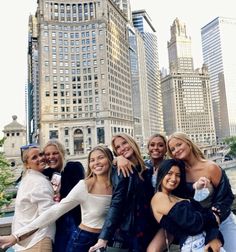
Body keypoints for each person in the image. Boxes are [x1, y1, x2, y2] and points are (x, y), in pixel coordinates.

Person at [0, 146, 113, 252]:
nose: (96, 162)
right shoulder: (82, 186)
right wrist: (16, 236)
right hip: (81, 239)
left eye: (101, 158)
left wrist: (119, 159)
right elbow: (53, 212)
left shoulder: (119, 183)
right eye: (92, 160)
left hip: (110, 239)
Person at [167, 132, 236, 251]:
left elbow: (226, 196)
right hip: (198, 226)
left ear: (188, 143)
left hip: (222, 221)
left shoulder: (211, 167)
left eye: (179, 144)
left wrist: (216, 216)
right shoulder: (178, 173)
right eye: (173, 149)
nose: (176, 150)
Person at [89, 133, 155, 252]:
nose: (122, 148)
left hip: (149, 228)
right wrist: (103, 238)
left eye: (124, 143)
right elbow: (116, 203)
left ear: (132, 143)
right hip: (132, 232)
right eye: (118, 147)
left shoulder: (146, 168)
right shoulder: (121, 171)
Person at [151, 159, 225, 252]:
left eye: (178, 175)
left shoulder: (176, 196)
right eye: (169, 173)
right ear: (162, 174)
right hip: (194, 245)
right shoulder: (159, 197)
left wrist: (213, 237)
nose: (174, 178)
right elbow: (192, 223)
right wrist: (213, 216)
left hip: (207, 241)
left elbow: (203, 215)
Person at [5, 144, 55, 252]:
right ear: (27, 164)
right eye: (34, 157)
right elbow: (48, 215)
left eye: (41, 154)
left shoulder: (27, 179)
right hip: (38, 241)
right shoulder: (39, 182)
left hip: (27, 242)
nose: (40, 158)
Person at [42, 140, 85, 252]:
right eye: (47, 154)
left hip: (75, 220)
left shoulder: (74, 167)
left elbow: (77, 195)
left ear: (62, 153)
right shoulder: (46, 174)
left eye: (55, 153)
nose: (51, 157)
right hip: (58, 223)